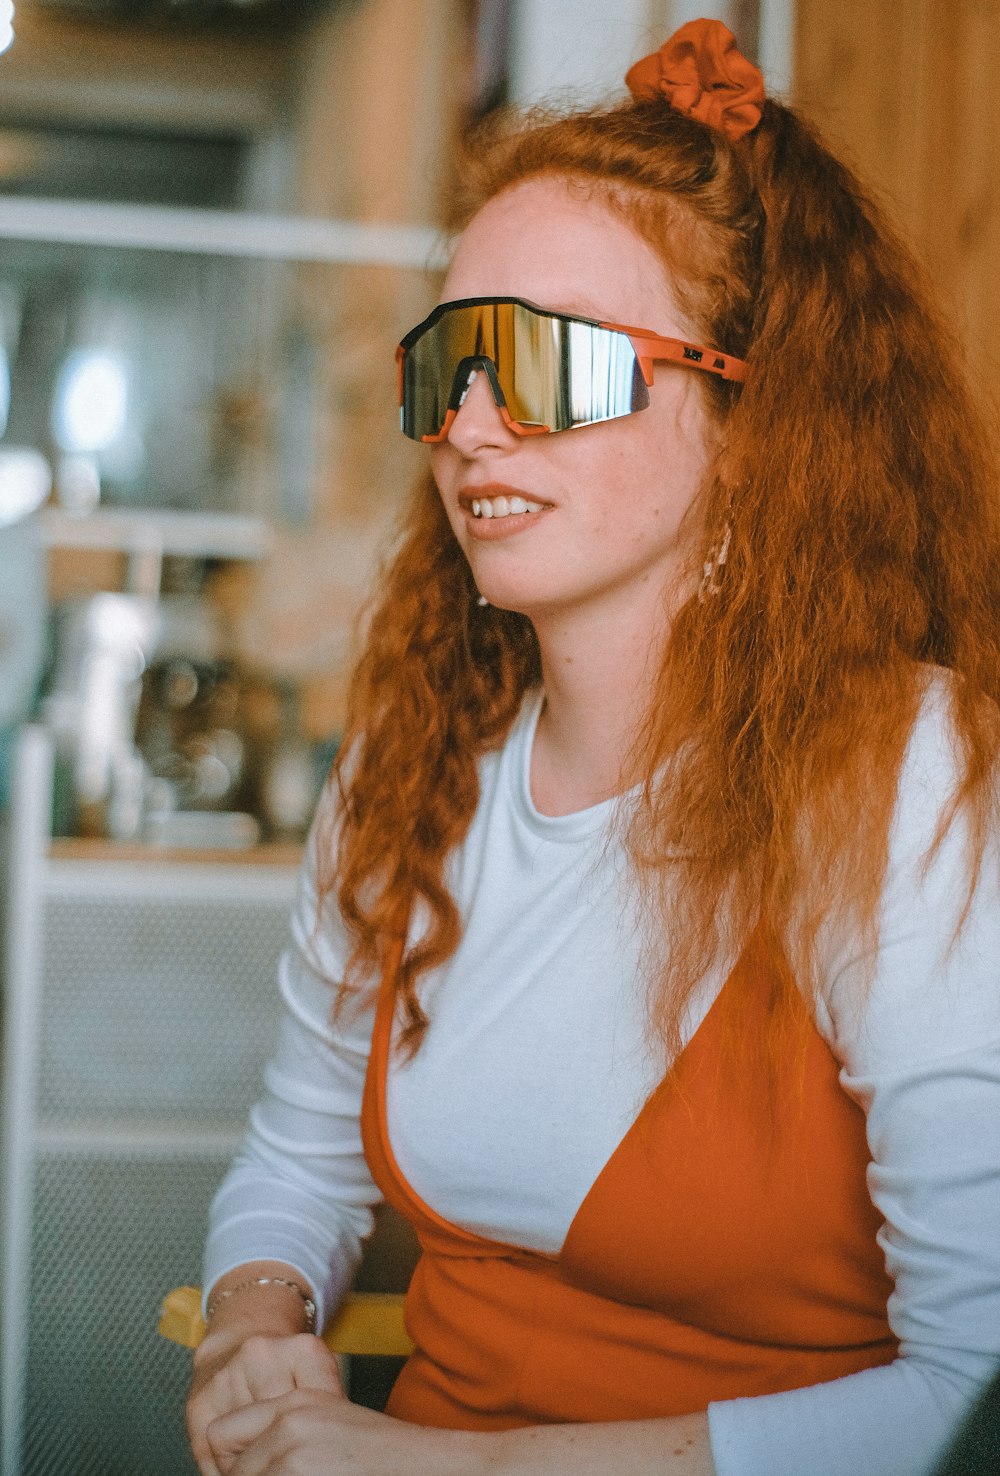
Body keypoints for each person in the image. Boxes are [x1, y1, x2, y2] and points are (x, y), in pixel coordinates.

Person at [185, 18, 1000, 1476]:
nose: (475, 427)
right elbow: (299, 1154)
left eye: (545, 364)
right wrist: (255, 1331)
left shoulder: (910, 778)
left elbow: (973, 1392)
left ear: (751, 422)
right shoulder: (409, 769)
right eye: (447, 365)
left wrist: (435, 1469)